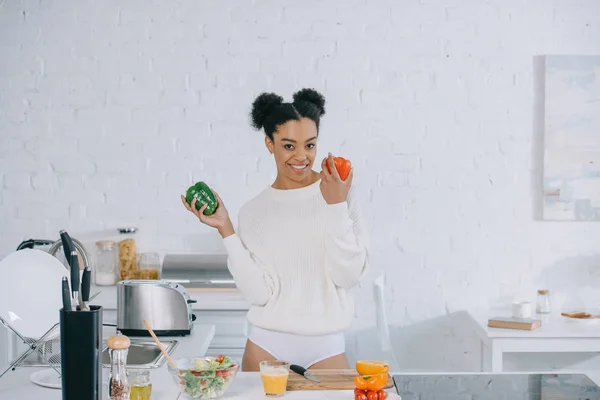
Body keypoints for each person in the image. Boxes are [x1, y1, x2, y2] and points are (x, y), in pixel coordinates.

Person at [181, 88, 369, 371]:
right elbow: (259, 294)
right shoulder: (254, 212)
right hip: (265, 346)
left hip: (326, 347)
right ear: (270, 144)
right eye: (289, 146)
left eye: (310, 145)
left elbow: (348, 276)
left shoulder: (339, 192)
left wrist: (335, 206)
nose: (302, 156)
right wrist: (226, 228)